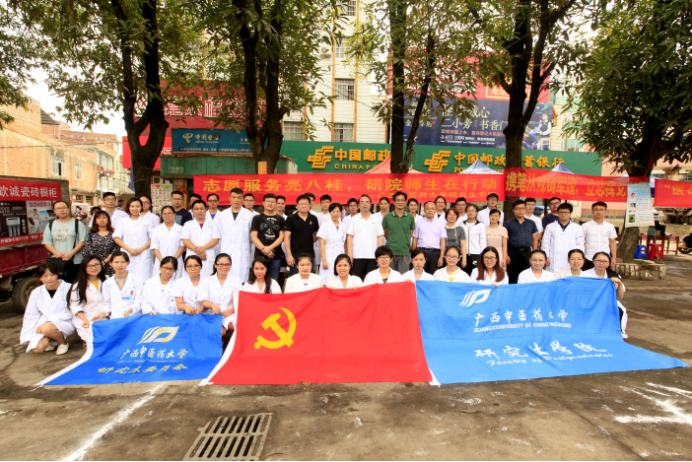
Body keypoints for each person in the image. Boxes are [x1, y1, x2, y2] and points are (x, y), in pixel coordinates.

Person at [21, 263, 74, 355]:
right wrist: (28, 336)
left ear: (57, 274)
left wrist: (49, 323)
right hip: (44, 324)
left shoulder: (69, 288)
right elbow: (30, 315)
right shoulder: (36, 292)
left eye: (52, 275)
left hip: (66, 321)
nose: (49, 279)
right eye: (45, 276)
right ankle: (51, 340)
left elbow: (71, 310)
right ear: (39, 278)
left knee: (46, 329)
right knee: (37, 348)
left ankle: (62, 342)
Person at [583, 252, 629, 337]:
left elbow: (619, 296)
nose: (601, 263)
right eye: (598, 261)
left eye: (604, 261)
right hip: (589, 301)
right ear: (593, 261)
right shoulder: (584, 275)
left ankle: (618, 331)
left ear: (609, 263)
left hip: (608, 300)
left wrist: (620, 284)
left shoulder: (614, 276)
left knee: (619, 309)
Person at [214, 188, 254, 283]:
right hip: (226, 251)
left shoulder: (249, 215)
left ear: (242, 199)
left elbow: (252, 238)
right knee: (225, 279)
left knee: (241, 281)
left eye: (239, 197)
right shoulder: (222, 215)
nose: (236, 200)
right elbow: (218, 235)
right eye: (234, 197)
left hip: (242, 253)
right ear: (230, 198)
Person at [68, 257, 108, 349]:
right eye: (90, 266)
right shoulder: (78, 285)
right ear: (84, 268)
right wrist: (85, 319)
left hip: (105, 314)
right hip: (87, 317)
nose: (94, 268)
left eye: (96, 265)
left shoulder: (107, 279)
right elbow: (74, 305)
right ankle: (86, 341)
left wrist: (105, 313)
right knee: (94, 346)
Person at [198, 253, 243, 336]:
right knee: (220, 332)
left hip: (230, 313)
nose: (224, 267)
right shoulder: (207, 281)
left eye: (227, 264)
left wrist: (231, 310)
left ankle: (233, 343)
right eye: (221, 264)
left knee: (232, 325)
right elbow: (203, 301)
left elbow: (241, 299)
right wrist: (212, 305)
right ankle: (221, 342)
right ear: (215, 265)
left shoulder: (236, 280)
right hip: (213, 313)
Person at [43, 200, 88, 283]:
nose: (61, 210)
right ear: (54, 211)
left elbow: (82, 241)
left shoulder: (78, 224)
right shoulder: (50, 225)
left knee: (74, 284)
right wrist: (55, 253)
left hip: (75, 261)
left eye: (64, 207)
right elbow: (47, 242)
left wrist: (71, 253)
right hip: (57, 261)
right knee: (59, 285)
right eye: (58, 208)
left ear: (68, 209)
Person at [113, 198, 155, 280]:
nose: (135, 209)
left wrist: (141, 249)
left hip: (143, 253)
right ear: (128, 207)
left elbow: (152, 238)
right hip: (127, 253)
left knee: (144, 278)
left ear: (141, 207)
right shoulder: (122, 221)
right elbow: (116, 237)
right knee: (128, 278)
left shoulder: (147, 221)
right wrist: (129, 249)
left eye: (137, 206)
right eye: (132, 206)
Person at [346, 195, 385, 280]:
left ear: (370, 204)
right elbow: (349, 236)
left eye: (367, 202)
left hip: (372, 256)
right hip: (357, 256)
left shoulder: (376, 219)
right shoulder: (354, 219)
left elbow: (380, 237)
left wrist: (380, 253)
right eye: (362, 202)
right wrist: (349, 252)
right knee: (357, 280)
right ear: (359, 205)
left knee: (371, 281)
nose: (365, 204)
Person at [251, 193, 286, 282]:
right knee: (259, 279)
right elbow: (254, 237)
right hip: (260, 255)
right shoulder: (256, 218)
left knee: (274, 280)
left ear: (275, 204)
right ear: (263, 203)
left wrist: (269, 248)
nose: (270, 203)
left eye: (273, 202)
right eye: (268, 201)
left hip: (276, 255)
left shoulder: (281, 219)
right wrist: (264, 249)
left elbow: (282, 237)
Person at [542, 203, 585, 273]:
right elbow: (545, 243)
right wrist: (546, 256)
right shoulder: (550, 226)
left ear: (570, 213)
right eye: (561, 212)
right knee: (553, 276)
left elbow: (580, 244)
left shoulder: (577, 228)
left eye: (566, 212)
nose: (563, 214)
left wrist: (579, 258)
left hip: (570, 259)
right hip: (554, 259)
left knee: (568, 276)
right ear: (558, 213)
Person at [504, 200, 540, 284]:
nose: (520, 210)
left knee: (526, 274)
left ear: (525, 209)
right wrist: (506, 255)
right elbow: (505, 240)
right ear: (514, 210)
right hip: (513, 252)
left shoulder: (531, 223)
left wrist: (535, 253)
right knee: (513, 274)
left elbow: (534, 239)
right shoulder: (508, 223)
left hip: (527, 252)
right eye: (517, 208)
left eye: (522, 208)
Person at [182, 200, 220, 279]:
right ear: (192, 211)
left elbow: (216, 240)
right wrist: (199, 252)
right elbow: (185, 240)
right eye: (196, 209)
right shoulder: (188, 224)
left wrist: (202, 248)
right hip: (192, 254)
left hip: (208, 256)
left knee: (208, 279)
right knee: (191, 279)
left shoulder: (213, 224)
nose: (199, 211)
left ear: (206, 210)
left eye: (201, 209)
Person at [285, 195, 321, 277]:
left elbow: (316, 234)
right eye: (301, 204)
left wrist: (308, 240)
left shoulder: (313, 218)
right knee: (295, 279)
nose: (304, 206)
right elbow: (286, 237)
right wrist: (289, 255)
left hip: (310, 255)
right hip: (295, 255)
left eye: (306, 204)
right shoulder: (291, 218)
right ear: (297, 205)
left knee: (310, 278)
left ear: (310, 205)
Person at [382, 192, 417, 274]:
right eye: (398, 200)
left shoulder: (410, 217)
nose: (400, 202)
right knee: (390, 277)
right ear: (394, 202)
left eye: (402, 200)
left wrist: (403, 241)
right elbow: (385, 233)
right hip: (390, 252)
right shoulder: (387, 217)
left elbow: (410, 234)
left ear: (405, 202)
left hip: (404, 252)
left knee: (403, 277)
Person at [103, 251, 145, 318]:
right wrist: (102, 314)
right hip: (116, 318)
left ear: (128, 262)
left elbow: (139, 301)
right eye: (116, 262)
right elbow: (107, 304)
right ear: (110, 263)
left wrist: (128, 311)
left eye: (123, 262)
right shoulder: (107, 283)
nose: (119, 265)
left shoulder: (137, 279)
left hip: (133, 317)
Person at [151, 205, 185, 280]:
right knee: (159, 281)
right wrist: (162, 261)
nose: (167, 216)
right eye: (164, 214)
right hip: (161, 259)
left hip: (176, 259)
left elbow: (183, 246)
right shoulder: (157, 229)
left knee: (176, 281)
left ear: (174, 214)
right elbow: (155, 246)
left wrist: (173, 259)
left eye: (169, 213)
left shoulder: (181, 229)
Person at [411, 201, 446, 275]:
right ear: (424, 210)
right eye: (428, 208)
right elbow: (415, 239)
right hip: (421, 251)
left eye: (432, 208)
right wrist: (414, 255)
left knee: (433, 274)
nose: (430, 210)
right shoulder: (418, 223)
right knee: (420, 273)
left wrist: (441, 257)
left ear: (435, 210)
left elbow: (443, 241)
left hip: (435, 253)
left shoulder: (440, 223)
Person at [582, 201, 618, 271]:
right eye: (596, 209)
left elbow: (612, 242)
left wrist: (614, 257)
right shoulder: (585, 226)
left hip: (605, 258)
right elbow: (581, 242)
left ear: (605, 212)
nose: (598, 212)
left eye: (601, 210)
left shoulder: (610, 226)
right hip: (589, 257)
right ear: (592, 211)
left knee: (604, 276)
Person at [318, 203, 347, 285]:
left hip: (340, 255)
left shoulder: (344, 226)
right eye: (333, 211)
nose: (335, 214)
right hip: (328, 256)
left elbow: (344, 242)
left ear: (341, 212)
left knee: (340, 281)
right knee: (327, 281)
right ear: (330, 212)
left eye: (337, 211)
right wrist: (324, 260)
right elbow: (321, 244)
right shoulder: (325, 225)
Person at [84, 210, 118, 277]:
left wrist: (105, 261)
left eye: (104, 218)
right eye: (99, 218)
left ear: (108, 220)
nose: (101, 220)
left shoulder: (114, 234)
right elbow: (88, 250)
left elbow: (117, 248)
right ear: (95, 220)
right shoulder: (91, 235)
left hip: (110, 264)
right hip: (94, 265)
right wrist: (97, 262)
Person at [462, 204, 486, 276]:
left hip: (476, 254)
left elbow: (483, 241)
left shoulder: (480, 225)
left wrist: (482, 254)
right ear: (466, 212)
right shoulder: (461, 224)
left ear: (476, 212)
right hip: (463, 254)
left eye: (473, 210)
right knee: (464, 275)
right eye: (469, 210)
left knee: (476, 275)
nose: (471, 212)